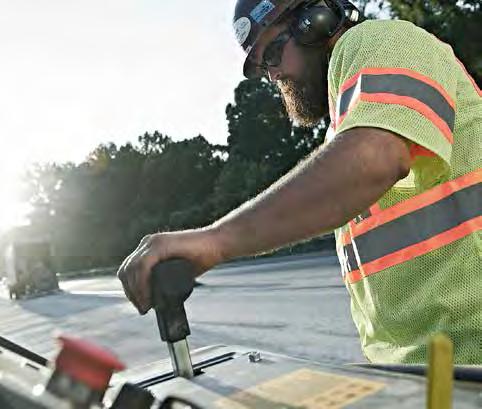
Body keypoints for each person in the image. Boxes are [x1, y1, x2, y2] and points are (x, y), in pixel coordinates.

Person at [117, 0, 481, 363]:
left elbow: (375, 157)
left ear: (316, 21)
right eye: (262, 68)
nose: (273, 76)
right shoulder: (342, 141)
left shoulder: (381, 40)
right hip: (429, 376)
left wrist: (215, 240)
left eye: (273, 53)